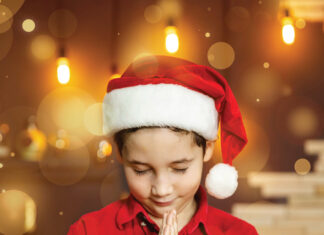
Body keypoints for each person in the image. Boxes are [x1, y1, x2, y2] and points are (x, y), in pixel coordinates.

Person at [67, 55, 258, 234]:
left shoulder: (239, 232)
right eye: (141, 170)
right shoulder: (87, 230)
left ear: (207, 148)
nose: (161, 189)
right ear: (119, 152)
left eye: (179, 168)